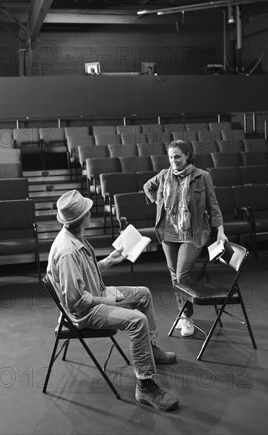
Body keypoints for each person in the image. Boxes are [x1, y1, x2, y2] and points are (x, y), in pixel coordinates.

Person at [47, 189, 179, 412]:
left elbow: (84, 276)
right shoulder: (67, 251)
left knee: (144, 294)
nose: (91, 212)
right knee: (137, 321)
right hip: (86, 311)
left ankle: (151, 348)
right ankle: (145, 385)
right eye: (88, 210)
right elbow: (76, 302)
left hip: (94, 295)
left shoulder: (73, 236)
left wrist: (109, 260)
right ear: (84, 217)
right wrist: (110, 303)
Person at [143, 140, 227, 337]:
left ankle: (187, 316)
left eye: (177, 157)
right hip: (168, 233)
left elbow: (213, 206)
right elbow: (148, 186)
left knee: (182, 276)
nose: (174, 161)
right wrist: (158, 202)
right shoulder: (164, 175)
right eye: (171, 157)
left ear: (187, 155)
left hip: (193, 232)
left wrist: (220, 230)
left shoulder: (202, 176)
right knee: (174, 276)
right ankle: (183, 315)